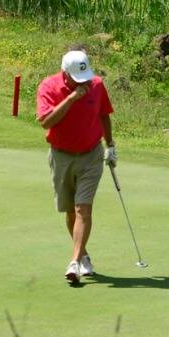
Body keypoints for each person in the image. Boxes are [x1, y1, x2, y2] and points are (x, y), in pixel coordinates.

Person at [35, 46, 115, 285]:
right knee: (70, 211)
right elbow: (46, 121)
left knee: (83, 209)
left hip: (91, 155)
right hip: (61, 157)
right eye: (76, 79)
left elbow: (103, 114)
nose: (84, 83)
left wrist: (110, 145)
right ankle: (84, 256)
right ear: (65, 74)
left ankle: (74, 262)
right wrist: (71, 98)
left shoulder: (97, 85)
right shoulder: (48, 87)